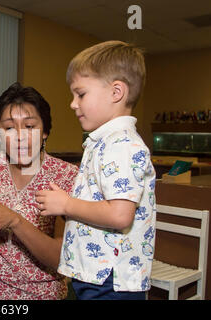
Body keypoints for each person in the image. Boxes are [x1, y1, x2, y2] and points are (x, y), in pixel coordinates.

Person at [35, 40, 156, 300]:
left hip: (111, 280)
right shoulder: (104, 141)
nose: (73, 104)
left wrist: (67, 205)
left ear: (116, 92)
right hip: (97, 274)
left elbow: (120, 214)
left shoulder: (122, 144)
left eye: (81, 94)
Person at [0, 82, 78, 300]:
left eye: (30, 126)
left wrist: (14, 220)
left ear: (45, 132)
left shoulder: (65, 176)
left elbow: (61, 259)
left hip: (39, 294)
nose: (20, 136)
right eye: (9, 128)